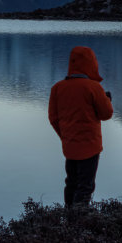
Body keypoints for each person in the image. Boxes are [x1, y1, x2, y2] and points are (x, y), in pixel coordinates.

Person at [48, 46, 114, 207]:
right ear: (91, 64)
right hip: (90, 147)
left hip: (70, 147)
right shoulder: (93, 87)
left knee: (71, 183)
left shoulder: (57, 88)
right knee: (86, 186)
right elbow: (106, 114)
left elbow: (53, 118)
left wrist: (65, 136)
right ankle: (79, 221)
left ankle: (69, 217)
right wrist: (107, 100)